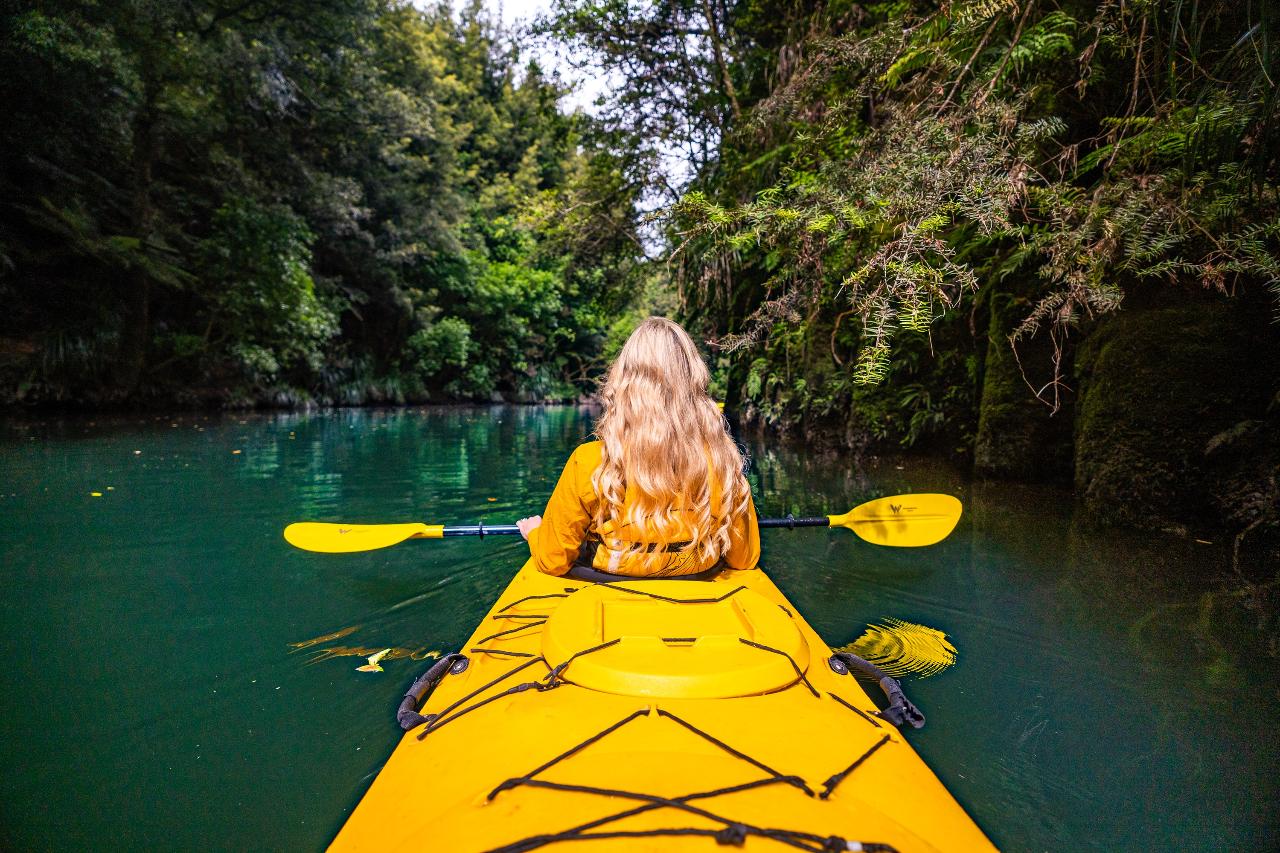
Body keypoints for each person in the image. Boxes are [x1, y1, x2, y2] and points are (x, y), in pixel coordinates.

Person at [516, 317, 760, 578]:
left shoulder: (590, 462)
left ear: (623, 383)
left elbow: (553, 561)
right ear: (694, 384)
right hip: (698, 577)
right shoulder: (721, 462)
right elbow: (744, 559)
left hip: (608, 583)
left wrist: (535, 533)